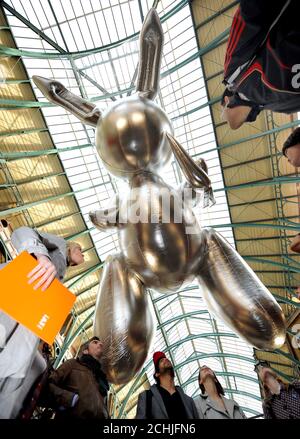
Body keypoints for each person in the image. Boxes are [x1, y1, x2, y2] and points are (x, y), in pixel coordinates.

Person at [0, 226, 84, 419]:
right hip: (13, 295)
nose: (83, 255)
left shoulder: (61, 273)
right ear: (71, 247)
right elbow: (21, 231)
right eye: (80, 249)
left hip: (26, 316)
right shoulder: (59, 244)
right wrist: (41, 255)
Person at [221, 0, 300, 130]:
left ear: (226, 100)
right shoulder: (281, 108)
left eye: (222, 115)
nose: (223, 120)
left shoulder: (233, 75)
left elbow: (249, 16)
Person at [48, 336, 109, 419]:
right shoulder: (73, 364)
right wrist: (71, 400)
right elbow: (49, 383)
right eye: (95, 342)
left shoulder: (102, 382)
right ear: (85, 351)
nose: (100, 344)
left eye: (100, 343)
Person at [135, 351, 199, 419]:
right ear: (157, 374)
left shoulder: (189, 401)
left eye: (167, 359)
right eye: (161, 361)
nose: (166, 359)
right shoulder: (146, 397)